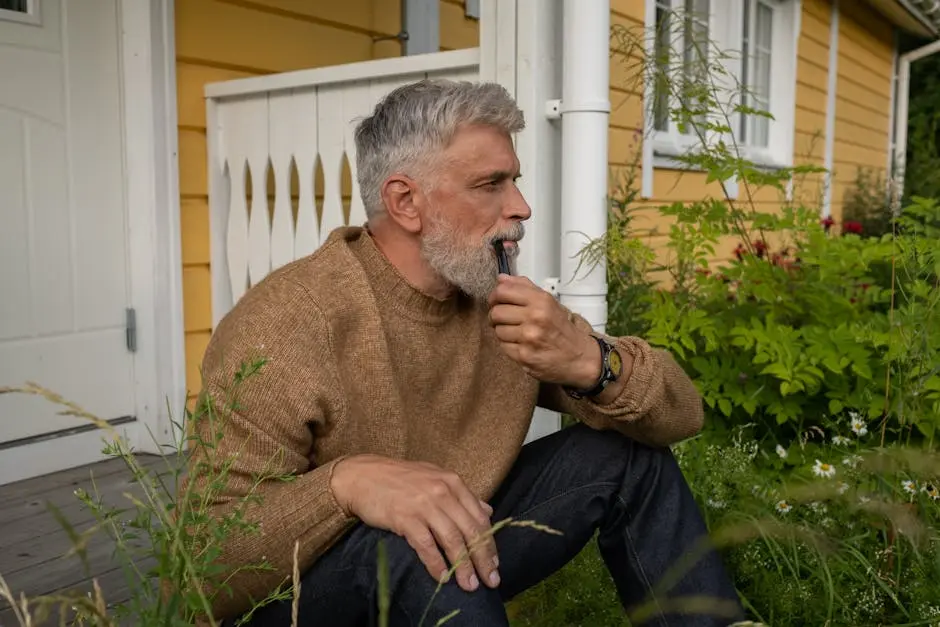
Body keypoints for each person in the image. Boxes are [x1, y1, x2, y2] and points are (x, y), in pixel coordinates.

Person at [190, 78, 744, 626]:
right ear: (406, 201)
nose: (522, 207)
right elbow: (204, 563)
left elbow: (682, 416)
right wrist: (347, 484)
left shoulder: (497, 299)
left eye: (516, 181)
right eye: (490, 185)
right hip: (301, 600)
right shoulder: (288, 323)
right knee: (412, 542)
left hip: (461, 544)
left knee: (626, 457)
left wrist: (588, 361)